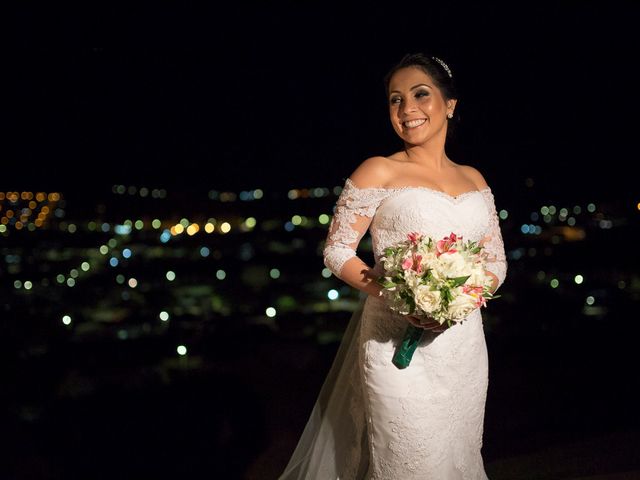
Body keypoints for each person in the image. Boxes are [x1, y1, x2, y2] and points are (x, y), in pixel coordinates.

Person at [278, 52, 507, 479]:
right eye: (395, 100)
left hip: (463, 348)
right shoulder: (377, 170)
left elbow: (496, 260)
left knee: (459, 456)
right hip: (393, 347)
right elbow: (337, 251)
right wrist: (398, 295)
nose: (407, 110)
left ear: (450, 104)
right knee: (409, 460)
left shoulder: (474, 178)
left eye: (421, 94)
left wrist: (458, 299)